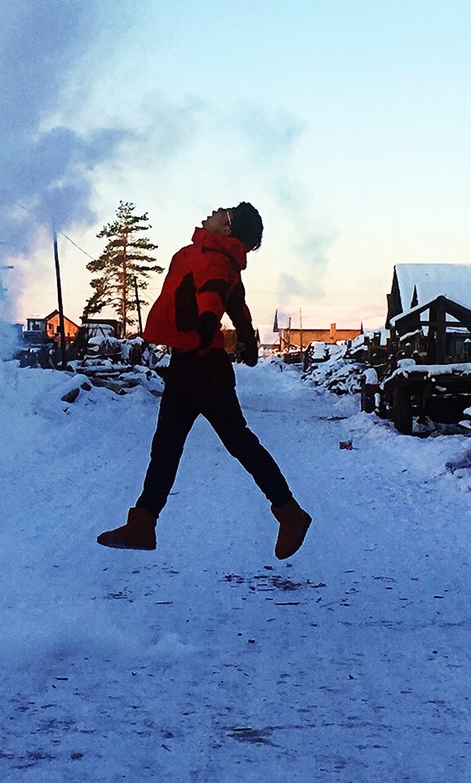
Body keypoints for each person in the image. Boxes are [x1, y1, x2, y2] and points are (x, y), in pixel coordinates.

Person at [97, 202, 312, 560]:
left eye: (223, 212)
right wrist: (246, 338)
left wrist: (205, 329)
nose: (214, 210)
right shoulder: (214, 256)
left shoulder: (213, 258)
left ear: (227, 229)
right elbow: (238, 304)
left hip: (202, 365)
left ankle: (291, 514)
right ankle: (142, 523)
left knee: (237, 442)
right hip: (187, 363)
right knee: (166, 445)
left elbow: (213, 298)